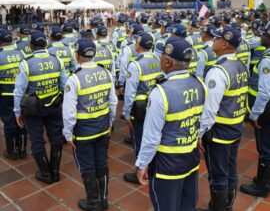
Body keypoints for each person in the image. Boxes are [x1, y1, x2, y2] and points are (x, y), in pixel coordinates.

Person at [136, 37, 206, 211]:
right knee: (188, 204)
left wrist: (142, 164)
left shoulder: (161, 92)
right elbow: (202, 118)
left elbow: (152, 136)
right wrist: (197, 136)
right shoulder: (199, 83)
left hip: (167, 164)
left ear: (167, 61)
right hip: (191, 156)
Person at [197, 26, 249, 211]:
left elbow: (210, 110)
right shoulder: (240, 65)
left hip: (219, 132)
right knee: (231, 170)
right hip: (236, 127)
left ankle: (218, 208)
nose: (213, 41)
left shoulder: (218, 71)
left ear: (224, 44)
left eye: (216, 39)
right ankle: (226, 207)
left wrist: (200, 134)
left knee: (218, 175)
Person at [63, 39, 118, 211]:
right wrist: (110, 123)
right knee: (102, 163)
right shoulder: (106, 73)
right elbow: (113, 103)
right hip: (102, 128)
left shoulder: (74, 78)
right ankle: (103, 199)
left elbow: (69, 113)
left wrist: (68, 133)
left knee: (87, 165)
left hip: (84, 132)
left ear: (78, 55)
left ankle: (93, 201)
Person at [14, 30, 67, 184]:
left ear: (31, 46)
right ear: (46, 43)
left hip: (33, 109)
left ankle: (46, 173)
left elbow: (19, 91)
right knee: (56, 138)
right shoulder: (57, 60)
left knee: (37, 140)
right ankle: (55, 172)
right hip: (55, 105)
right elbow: (64, 85)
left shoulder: (26, 63)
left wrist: (17, 112)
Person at [122, 32, 161, 184]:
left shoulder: (136, 64)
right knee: (153, 136)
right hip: (155, 105)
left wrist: (126, 114)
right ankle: (152, 168)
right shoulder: (158, 59)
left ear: (138, 45)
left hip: (140, 110)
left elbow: (130, 93)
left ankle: (141, 171)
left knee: (139, 140)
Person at [240, 23, 270, 198]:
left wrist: (255, 114)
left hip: (265, 109)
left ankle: (262, 185)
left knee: (264, 147)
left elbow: (264, 92)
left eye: (265, 33)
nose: (262, 36)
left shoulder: (267, 59)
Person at [0, 28, 27, 160]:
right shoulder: (21, 53)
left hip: (5, 94)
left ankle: (11, 152)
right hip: (21, 93)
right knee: (21, 119)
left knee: (9, 121)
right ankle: (22, 150)